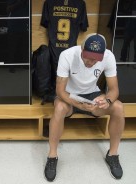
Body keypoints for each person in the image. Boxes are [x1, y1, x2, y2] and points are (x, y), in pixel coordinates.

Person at [44, 33, 125, 181]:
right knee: (60, 108)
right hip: (69, 95)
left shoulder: (108, 56)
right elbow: (60, 90)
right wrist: (78, 103)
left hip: (92, 94)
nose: (91, 62)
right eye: (88, 57)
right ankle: (52, 155)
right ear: (81, 49)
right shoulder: (67, 55)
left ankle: (112, 154)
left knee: (118, 107)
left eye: (96, 59)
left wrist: (107, 100)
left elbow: (114, 90)